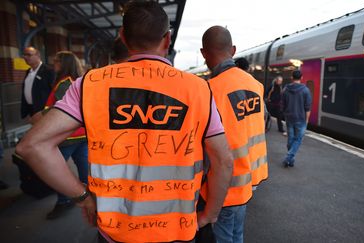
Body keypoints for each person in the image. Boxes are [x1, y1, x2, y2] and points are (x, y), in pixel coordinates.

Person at [16, 2, 233, 243]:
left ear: (122, 36)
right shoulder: (199, 89)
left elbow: (32, 146)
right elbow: (223, 161)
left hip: (115, 231)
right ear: (167, 39)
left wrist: (83, 197)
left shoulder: (90, 84)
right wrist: (209, 215)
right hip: (178, 230)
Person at [200, 26, 268, 243]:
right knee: (236, 234)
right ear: (234, 50)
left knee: (223, 237)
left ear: (203, 53)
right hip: (249, 180)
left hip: (223, 186)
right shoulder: (255, 85)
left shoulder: (209, 90)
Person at [39, 51, 89, 219]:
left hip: (68, 136)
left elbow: (62, 112)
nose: (54, 64)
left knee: (55, 169)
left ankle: (63, 201)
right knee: (84, 168)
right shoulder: (74, 81)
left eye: (56, 61)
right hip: (81, 135)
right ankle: (91, 198)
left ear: (64, 63)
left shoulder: (65, 82)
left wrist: (41, 117)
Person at [280, 70, 312, 167]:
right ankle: (288, 157)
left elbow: (282, 105)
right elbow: (307, 107)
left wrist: (285, 114)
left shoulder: (285, 89)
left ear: (291, 77)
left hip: (289, 118)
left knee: (291, 138)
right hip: (300, 118)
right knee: (298, 139)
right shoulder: (305, 90)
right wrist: (307, 120)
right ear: (301, 78)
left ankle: (291, 160)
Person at [21, 46, 55, 124]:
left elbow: (53, 92)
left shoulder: (48, 71)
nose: (25, 57)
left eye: (29, 55)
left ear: (38, 56)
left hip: (44, 111)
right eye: (24, 55)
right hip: (31, 110)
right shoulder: (28, 71)